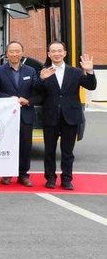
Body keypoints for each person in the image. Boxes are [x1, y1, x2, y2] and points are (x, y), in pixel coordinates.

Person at [37, 41, 96, 191]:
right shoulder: (43, 72)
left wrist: (89, 71)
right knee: (49, 150)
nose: (56, 54)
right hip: (50, 115)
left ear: (65, 53)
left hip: (70, 115)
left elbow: (91, 86)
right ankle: (50, 178)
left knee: (67, 151)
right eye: (53, 51)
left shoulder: (76, 72)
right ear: (49, 54)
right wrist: (41, 80)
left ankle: (67, 179)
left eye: (59, 51)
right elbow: (37, 92)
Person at [0, 41, 42, 187]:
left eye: (17, 51)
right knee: (7, 145)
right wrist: (9, 99)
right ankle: (7, 173)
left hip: (25, 114)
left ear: (22, 53)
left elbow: (38, 94)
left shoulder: (31, 71)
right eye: (11, 51)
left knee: (26, 146)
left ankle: (23, 175)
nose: (14, 54)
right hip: (6, 117)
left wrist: (28, 101)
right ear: (6, 54)